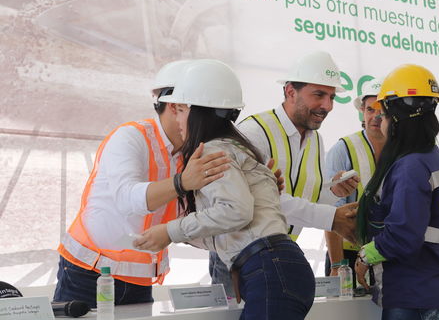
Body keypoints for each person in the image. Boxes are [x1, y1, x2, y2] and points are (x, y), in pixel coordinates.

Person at [134, 60, 315, 319]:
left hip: (269, 268)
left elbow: (236, 211)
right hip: (278, 267)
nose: (177, 117)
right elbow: (230, 225)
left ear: (198, 112)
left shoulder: (213, 150)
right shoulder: (236, 148)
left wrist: (172, 230)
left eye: (182, 109)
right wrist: (169, 235)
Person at [54, 60, 231, 307]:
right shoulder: (130, 137)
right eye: (204, 111)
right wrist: (181, 182)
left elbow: (193, 218)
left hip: (139, 277)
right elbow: (128, 199)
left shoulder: (192, 153)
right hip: (88, 272)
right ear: (176, 105)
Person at [207, 51, 360, 293]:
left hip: (276, 252)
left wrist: (333, 192)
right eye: (319, 95)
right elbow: (263, 203)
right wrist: (331, 218)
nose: (327, 106)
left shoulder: (315, 140)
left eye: (331, 97)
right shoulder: (255, 132)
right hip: (238, 254)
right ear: (290, 92)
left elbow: (306, 198)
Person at [354, 64, 439, 320]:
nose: (381, 121)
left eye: (385, 115)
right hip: (436, 288)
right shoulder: (434, 158)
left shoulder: (410, 166)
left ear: (398, 119)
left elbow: (403, 235)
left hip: (413, 295)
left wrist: (364, 256)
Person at [324, 78, 385, 284]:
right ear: (362, 111)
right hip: (347, 256)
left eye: (382, 109)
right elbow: (330, 211)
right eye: (370, 110)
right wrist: (336, 265)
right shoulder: (344, 148)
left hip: (389, 251)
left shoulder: (402, 152)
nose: (376, 116)